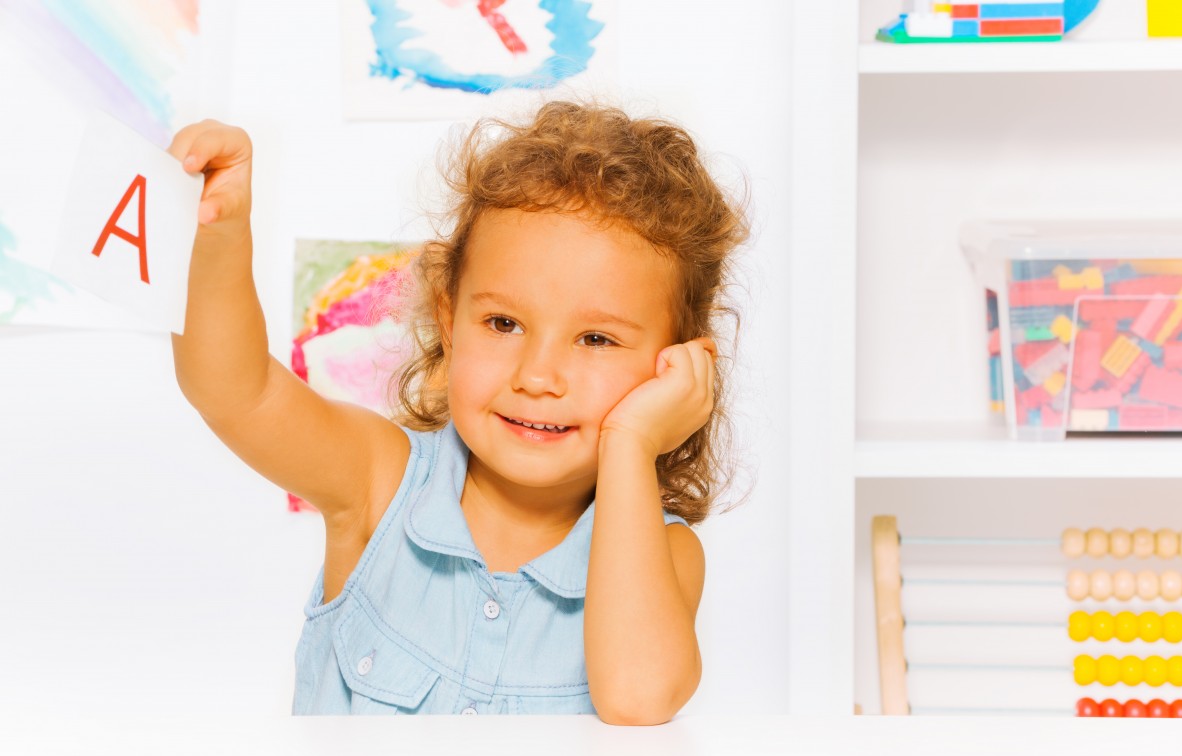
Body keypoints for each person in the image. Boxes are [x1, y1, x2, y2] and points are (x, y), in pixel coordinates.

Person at [168, 100, 748, 724]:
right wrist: (217, 240)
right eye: (504, 323)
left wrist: (632, 441)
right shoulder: (378, 482)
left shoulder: (664, 554)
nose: (537, 377)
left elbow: (637, 697)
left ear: (678, 367)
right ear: (449, 319)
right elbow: (237, 392)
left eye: (596, 339)